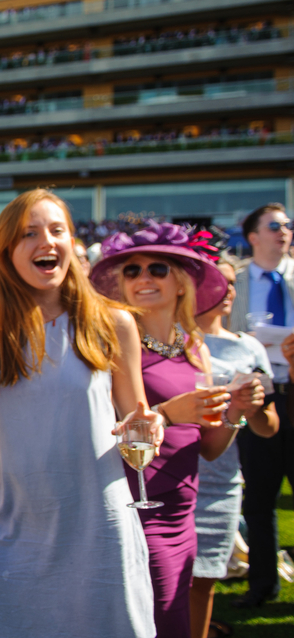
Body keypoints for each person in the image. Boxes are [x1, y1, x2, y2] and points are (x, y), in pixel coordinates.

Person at [0, 188, 158, 638]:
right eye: (29, 233)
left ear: (72, 242)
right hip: (11, 526)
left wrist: (148, 430)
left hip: (96, 528)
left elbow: (136, 417)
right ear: (6, 251)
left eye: (57, 230)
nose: (46, 241)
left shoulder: (114, 323)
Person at [90, 221, 264, 637]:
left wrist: (237, 412)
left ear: (182, 282)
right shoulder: (107, 344)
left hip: (185, 509)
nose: (143, 278)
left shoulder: (195, 346)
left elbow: (208, 446)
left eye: (156, 269)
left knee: (175, 621)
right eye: (131, 270)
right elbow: (114, 427)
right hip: (138, 504)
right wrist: (169, 412)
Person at [191, 253, 279, 638]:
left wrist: (251, 408)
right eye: (216, 280)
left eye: (232, 283)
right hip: (166, 479)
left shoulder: (251, 349)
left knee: (203, 584)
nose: (226, 290)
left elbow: (268, 427)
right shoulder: (163, 340)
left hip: (219, 483)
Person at [226, 202, 294, 608]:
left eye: (287, 225)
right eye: (274, 225)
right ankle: (263, 585)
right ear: (253, 237)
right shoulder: (234, 282)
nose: (283, 231)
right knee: (260, 496)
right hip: (257, 395)